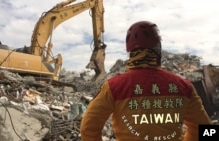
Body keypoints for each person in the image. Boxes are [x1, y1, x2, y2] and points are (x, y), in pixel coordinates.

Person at [80, 21, 211, 141]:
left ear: (130, 52)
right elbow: (204, 128)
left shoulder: (113, 87)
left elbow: (88, 128)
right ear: (158, 49)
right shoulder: (184, 86)